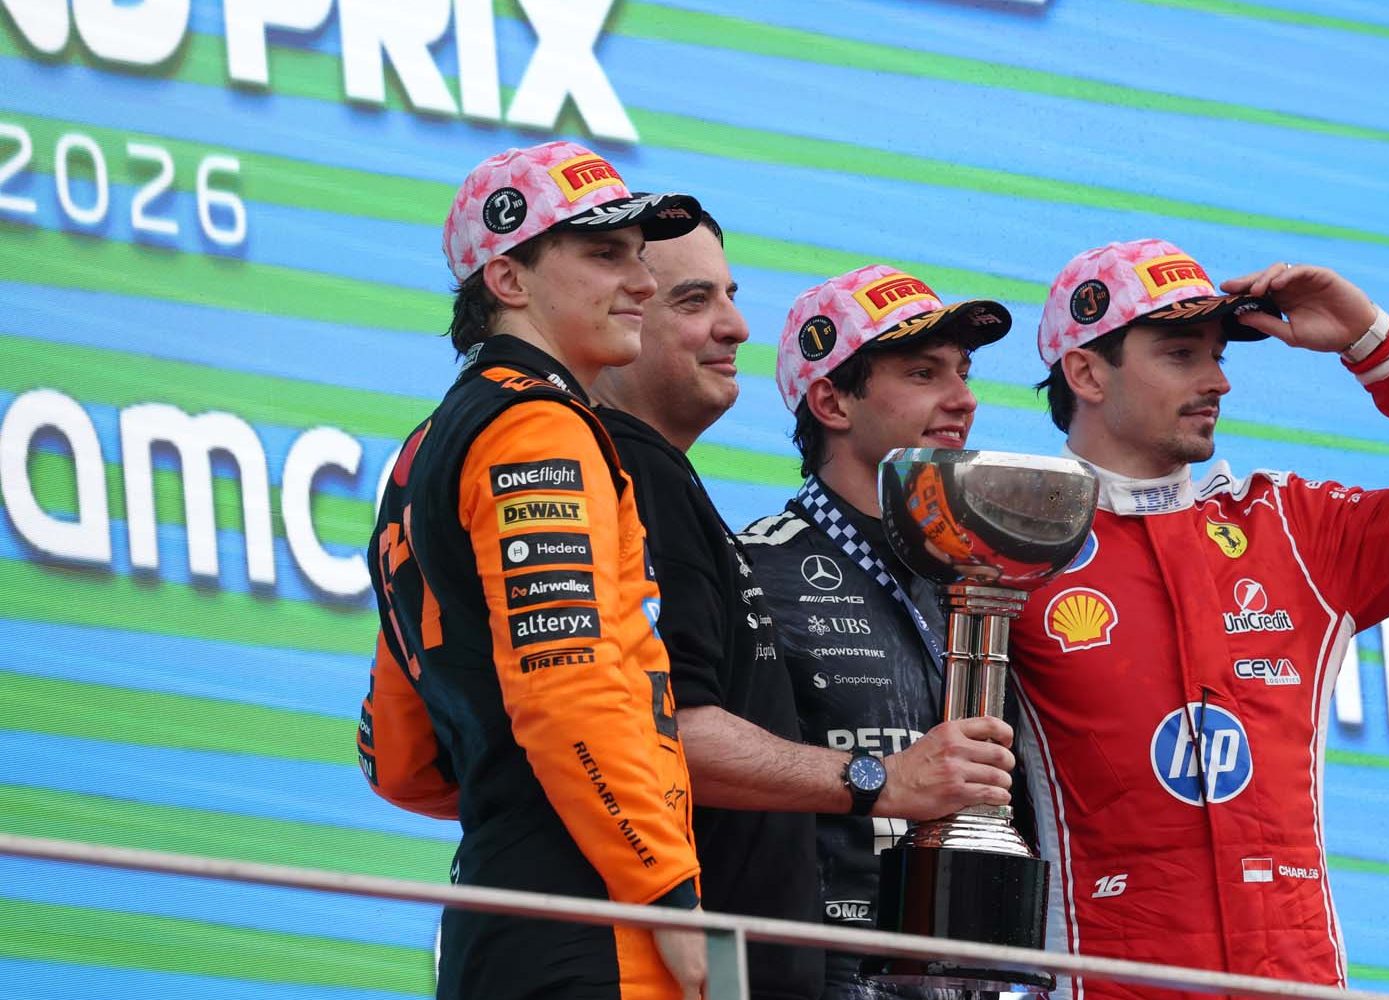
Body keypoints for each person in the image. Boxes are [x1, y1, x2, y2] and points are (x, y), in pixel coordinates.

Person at [1012, 238, 1389, 997]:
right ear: (1086, 372)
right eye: (1180, 355)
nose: (1217, 381)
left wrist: (1372, 340)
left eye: (1219, 356)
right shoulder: (1010, 542)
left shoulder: (1292, 529)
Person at [355, 140, 708, 1000]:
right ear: (508, 280)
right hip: (600, 919)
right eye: (602, 254)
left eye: (639, 255)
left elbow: (398, 757)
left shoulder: (422, 449)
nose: (643, 283)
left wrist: (510, 789)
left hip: (493, 912)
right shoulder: (540, 428)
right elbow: (567, 686)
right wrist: (666, 893)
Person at [736, 266, 1021, 1000]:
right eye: (924, 373)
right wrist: (880, 781)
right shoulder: (752, 568)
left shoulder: (981, 576)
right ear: (831, 399)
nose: (962, 399)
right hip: (815, 973)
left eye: (963, 372)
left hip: (972, 973)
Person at [588, 211, 824, 1000]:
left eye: (730, 294)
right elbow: (675, 728)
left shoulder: (660, 474)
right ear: (622, 318)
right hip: (682, 964)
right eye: (693, 302)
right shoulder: (630, 472)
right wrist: (879, 778)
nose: (736, 326)